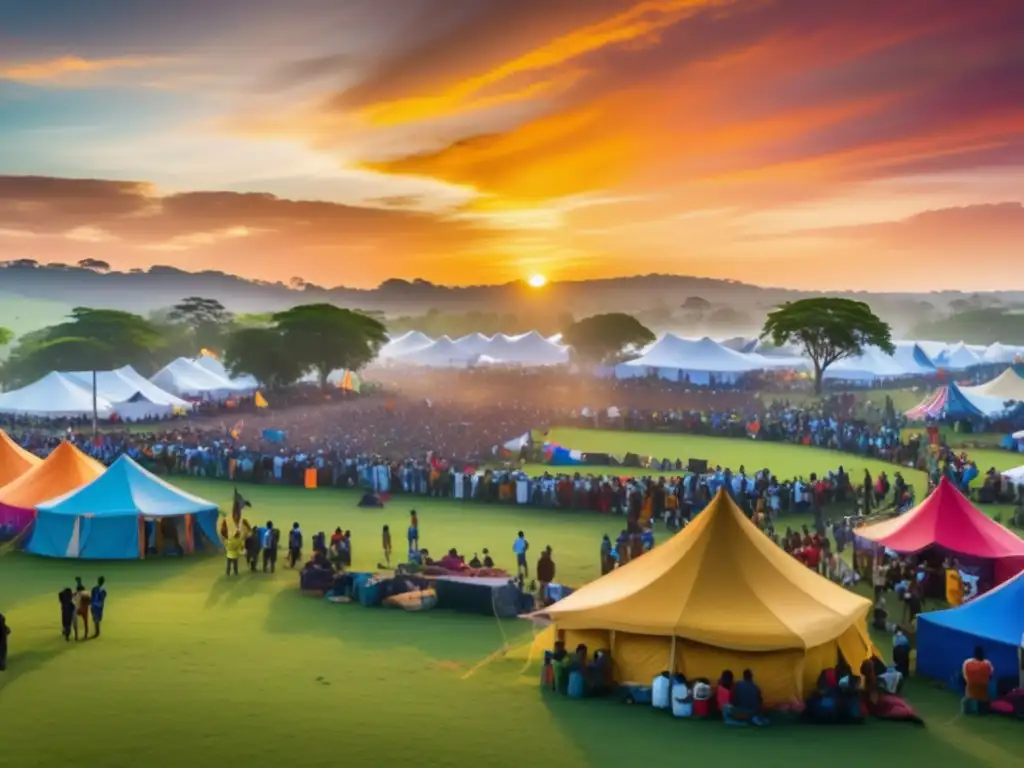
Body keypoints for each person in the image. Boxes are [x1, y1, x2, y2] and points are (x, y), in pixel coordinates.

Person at [962, 646, 994, 714]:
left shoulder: (967, 662)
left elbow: (965, 676)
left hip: (970, 690)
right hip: (983, 691)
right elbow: (990, 676)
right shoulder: (987, 664)